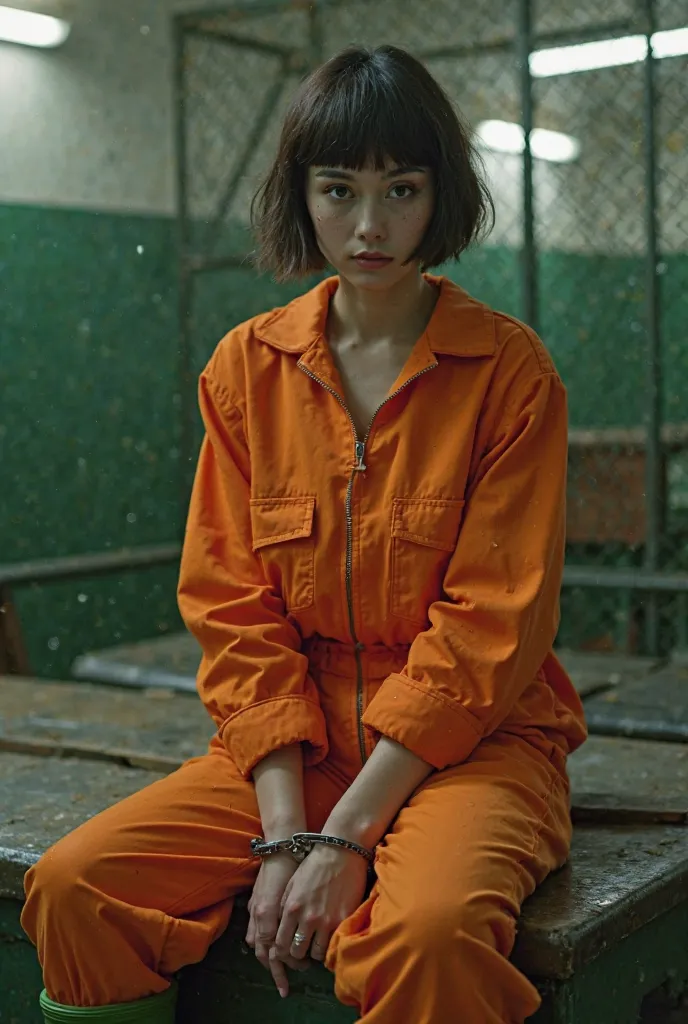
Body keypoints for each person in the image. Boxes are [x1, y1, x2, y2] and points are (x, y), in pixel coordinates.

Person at [21, 44, 587, 1024]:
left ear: (439, 195)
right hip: (296, 741)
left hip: (477, 745)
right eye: (339, 188)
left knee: (430, 936)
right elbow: (231, 603)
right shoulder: (246, 368)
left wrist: (348, 839)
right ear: (301, 194)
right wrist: (288, 831)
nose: (370, 224)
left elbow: (491, 631)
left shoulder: (508, 373)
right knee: (77, 888)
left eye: (402, 188)